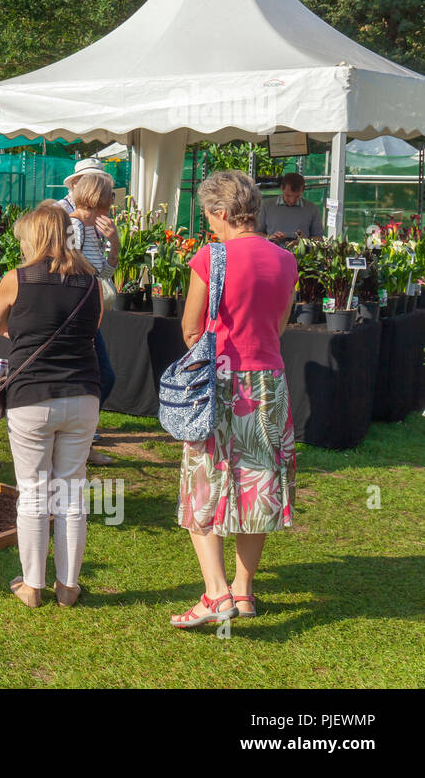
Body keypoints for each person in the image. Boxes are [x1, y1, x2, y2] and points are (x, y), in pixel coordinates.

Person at [170, 170, 298, 629]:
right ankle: (243, 592)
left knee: (203, 484)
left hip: (222, 381)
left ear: (222, 212)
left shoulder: (212, 256)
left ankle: (216, 593)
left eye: (208, 214)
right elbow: (280, 325)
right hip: (269, 383)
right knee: (257, 486)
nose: (208, 223)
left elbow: (190, 327)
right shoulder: (285, 260)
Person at [0, 202, 102, 609]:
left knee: (34, 492)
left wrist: (23, 330)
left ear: (34, 237)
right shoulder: (91, 280)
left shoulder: (16, 278)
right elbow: (95, 327)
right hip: (82, 394)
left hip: (32, 397)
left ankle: (32, 586)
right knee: (71, 491)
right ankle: (68, 587)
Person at [57, 160, 120, 465]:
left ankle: (80, 444)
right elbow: (65, 270)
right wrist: (93, 278)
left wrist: (115, 243)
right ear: (98, 200)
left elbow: (106, 273)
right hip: (77, 317)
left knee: (96, 377)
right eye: (109, 202)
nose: (111, 209)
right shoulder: (73, 226)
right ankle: (79, 444)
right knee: (101, 376)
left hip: (87, 315)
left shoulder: (88, 228)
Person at [257, 172, 324, 244]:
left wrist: (303, 241)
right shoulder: (266, 206)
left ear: (303, 190)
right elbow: (255, 234)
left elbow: (320, 239)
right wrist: (269, 237)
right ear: (281, 188)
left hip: (300, 254)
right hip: (273, 253)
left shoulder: (312, 209)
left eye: (297, 196)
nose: (292, 201)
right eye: (288, 195)